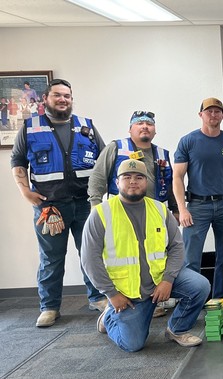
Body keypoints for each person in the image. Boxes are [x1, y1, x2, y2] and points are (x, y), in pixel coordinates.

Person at [81, 159, 210, 352]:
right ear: (117, 183)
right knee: (133, 344)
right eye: (127, 177)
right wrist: (112, 294)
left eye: (139, 177)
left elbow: (176, 247)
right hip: (128, 293)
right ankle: (109, 317)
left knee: (200, 286)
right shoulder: (100, 214)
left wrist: (167, 280)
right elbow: (90, 260)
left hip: (159, 282)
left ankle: (177, 329)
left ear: (147, 182)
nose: (133, 181)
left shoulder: (159, 209)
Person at [9, 78, 108, 327]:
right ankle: (50, 307)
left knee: (91, 253)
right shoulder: (31, 127)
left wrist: (103, 194)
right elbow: (17, 160)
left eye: (67, 96)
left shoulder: (86, 126)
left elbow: (104, 159)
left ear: (71, 99)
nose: (62, 99)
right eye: (57, 95)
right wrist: (24, 191)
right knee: (51, 259)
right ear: (46, 99)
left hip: (86, 205)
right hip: (50, 206)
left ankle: (97, 298)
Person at [88, 110, 178, 318]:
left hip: (153, 215)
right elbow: (98, 177)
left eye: (149, 123)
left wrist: (174, 209)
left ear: (154, 130)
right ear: (130, 129)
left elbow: (170, 184)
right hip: (121, 215)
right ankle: (111, 302)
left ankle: (152, 301)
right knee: (127, 258)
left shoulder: (162, 154)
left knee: (154, 258)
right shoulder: (116, 148)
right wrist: (95, 206)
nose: (145, 126)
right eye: (139, 123)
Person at [173, 98, 223, 299]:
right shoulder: (188, 141)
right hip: (197, 206)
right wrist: (182, 209)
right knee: (191, 259)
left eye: (217, 111)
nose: (213, 115)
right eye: (209, 111)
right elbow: (177, 177)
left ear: (222, 115)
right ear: (201, 115)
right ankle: (192, 301)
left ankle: (219, 300)